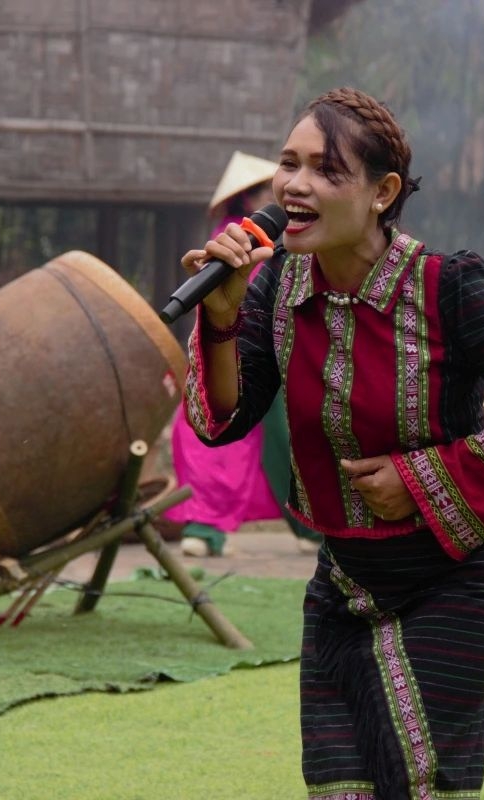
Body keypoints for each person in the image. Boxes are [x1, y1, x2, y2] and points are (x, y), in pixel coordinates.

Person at [178, 88, 484, 797]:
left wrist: (423, 479)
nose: (295, 185)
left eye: (326, 170)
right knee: (341, 788)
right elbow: (224, 419)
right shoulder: (274, 286)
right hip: (344, 585)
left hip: (456, 579)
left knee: (414, 781)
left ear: (382, 192)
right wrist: (220, 317)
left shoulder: (449, 289)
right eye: (289, 165)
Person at [164, 151, 321, 557]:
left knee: (286, 445)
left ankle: (311, 528)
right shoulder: (231, 237)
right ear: (243, 199)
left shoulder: (288, 243)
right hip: (230, 353)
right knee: (213, 438)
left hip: (274, 353)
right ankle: (206, 527)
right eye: (255, 191)